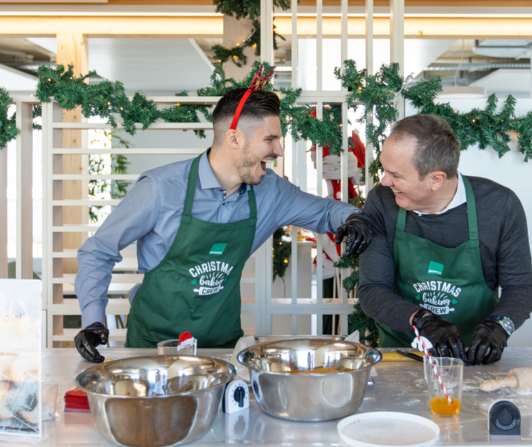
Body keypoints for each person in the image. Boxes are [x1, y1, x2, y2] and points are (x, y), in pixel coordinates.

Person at [73, 70, 373, 362]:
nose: (279, 150)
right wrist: (92, 321)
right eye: (270, 140)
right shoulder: (162, 189)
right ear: (234, 139)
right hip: (153, 350)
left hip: (221, 350)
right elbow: (98, 251)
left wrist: (352, 218)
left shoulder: (271, 192)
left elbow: (326, 211)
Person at [358, 114, 532, 365]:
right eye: (384, 170)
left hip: (475, 356)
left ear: (436, 179)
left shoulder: (499, 206)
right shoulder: (382, 202)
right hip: (403, 355)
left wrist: (500, 327)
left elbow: (520, 287)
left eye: (396, 175)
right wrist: (421, 320)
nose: (385, 181)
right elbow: (372, 290)